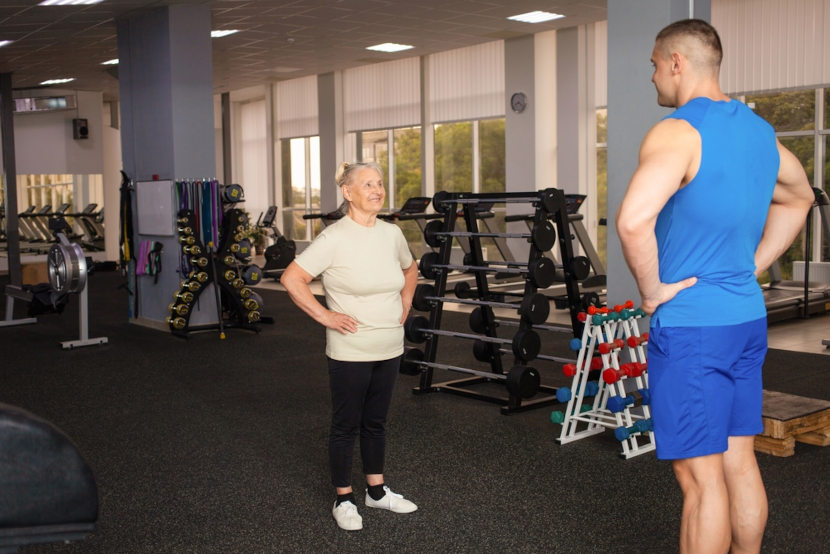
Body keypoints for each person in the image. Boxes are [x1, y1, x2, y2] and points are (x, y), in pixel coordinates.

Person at [616, 19, 814, 554]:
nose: (653, 76)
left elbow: (633, 221)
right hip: (746, 321)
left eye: (655, 65)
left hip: (693, 328)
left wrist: (653, 292)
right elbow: (801, 199)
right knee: (740, 461)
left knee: (700, 482)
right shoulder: (759, 132)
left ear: (676, 62)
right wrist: (753, 265)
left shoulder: (678, 131)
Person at [280, 161, 420, 531]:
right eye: (368, 184)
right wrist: (325, 316)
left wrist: (406, 302)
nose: (377, 190)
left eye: (379, 183)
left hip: (390, 345)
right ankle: (343, 498)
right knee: (346, 425)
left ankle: (377, 492)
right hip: (351, 350)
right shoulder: (334, 237)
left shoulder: (391, 234)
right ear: (348, 192)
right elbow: (292, 279)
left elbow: (410, 269)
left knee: (376, 422)